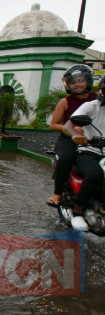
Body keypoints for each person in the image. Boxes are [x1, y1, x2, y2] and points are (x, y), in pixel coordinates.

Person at [47, 64, 96, 207]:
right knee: (67, 158)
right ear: (68, 85)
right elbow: (54, 124)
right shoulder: (65, 102)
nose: (77, 85)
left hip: (95, 139)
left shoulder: (98, 100)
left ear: (88, 81)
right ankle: (58, 193)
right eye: (73, 82)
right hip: (69, 138)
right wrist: (73, 129)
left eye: (81, 81)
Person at [62, 76, 105, 230]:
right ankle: (78, 211)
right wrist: (76, 135)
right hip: (90, 151)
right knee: (94, 174)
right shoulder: (91, 106)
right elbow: (68, 125)